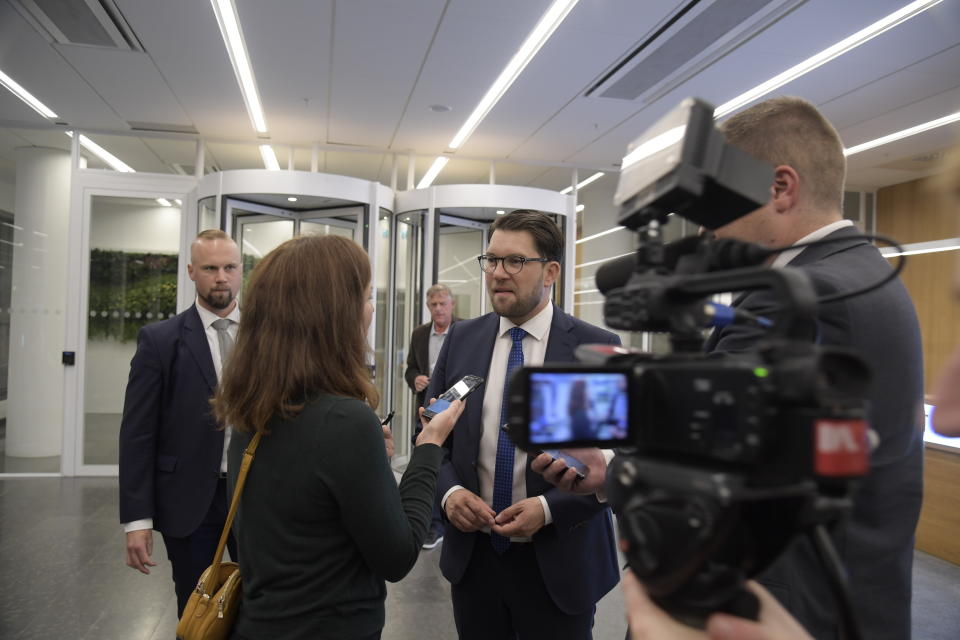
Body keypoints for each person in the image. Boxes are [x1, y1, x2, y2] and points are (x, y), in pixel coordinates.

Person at [537, 97, 925, 640]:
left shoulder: (810, 295)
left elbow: (710, 462)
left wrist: (610, 464)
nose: (705, 232)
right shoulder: (854, 273)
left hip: (783, 603)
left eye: (715, 208)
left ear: (780, 187)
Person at [213, 234, 464, 640]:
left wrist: (365, 463)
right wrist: (429, 447)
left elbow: (278, 528)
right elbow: (398, 556)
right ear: (332, 315)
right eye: (366, 299)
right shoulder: (346, 422)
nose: (370, 311)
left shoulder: (251, 407)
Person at [426, 209, 622, 639]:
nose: (498, 273)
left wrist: (549, 509)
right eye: (492, 260)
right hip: (474, 560)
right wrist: (451, 492)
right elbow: (431, 437)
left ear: (550, 271)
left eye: (515, 261)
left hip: (558, 564)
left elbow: (615, 463)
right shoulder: (461, 340)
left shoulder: (595, 348)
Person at [118, 229, 242, 616]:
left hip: (257, 495)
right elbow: (138, 434)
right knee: (196, 611)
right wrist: (137, 519)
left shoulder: (269, 338)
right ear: (191, 271)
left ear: (241, 271)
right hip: (189, 502)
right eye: (210, 268)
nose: (221, 277)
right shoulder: (160, 340)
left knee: (262, 607)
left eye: (229, 267)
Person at [404, 283, 459, 548]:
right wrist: (415, 378)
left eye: (442, 304)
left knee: (449, 463)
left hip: (455, 410)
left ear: (452, 305)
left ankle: (449, 520)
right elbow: (410, 367)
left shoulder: (464, 331)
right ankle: (432, 525)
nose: (438, 309)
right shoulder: (419, 335)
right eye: (433, 305)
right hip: (425, 409)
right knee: (426, 461)